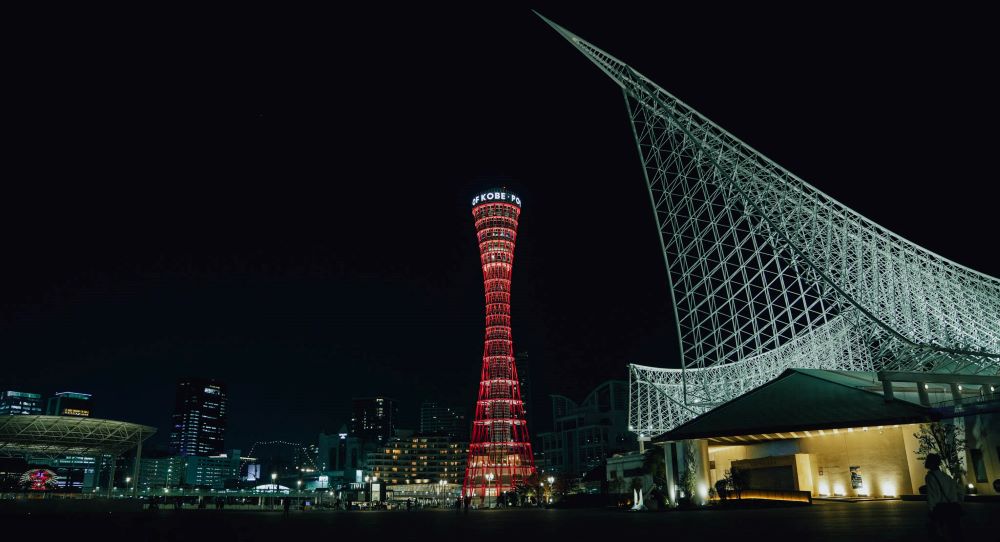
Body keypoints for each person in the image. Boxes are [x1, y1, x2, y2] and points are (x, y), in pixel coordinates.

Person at [924, 453, 963, 541]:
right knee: (956, 533)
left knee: (941, 534)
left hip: (941, 508)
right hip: (953, 507)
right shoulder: (946, 476)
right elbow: (960, 490)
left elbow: (932, 495)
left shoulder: (930, 477)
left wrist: (931, 509)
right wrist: (957, 501)